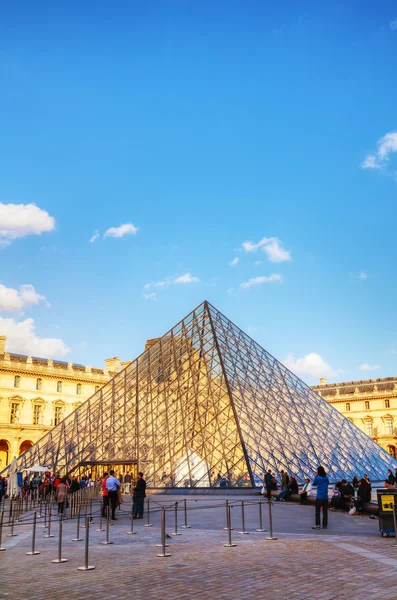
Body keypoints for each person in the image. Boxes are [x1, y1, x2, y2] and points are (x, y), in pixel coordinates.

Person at [312, 466, 329, 530]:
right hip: (325, 497)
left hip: (319, 497)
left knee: (317, 511)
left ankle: (318, 525)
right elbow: (327, 483)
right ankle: (325, 525)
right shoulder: (326, 478)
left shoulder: (318, 478)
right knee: (325, 512)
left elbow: (314, 484)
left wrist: (316, 476)